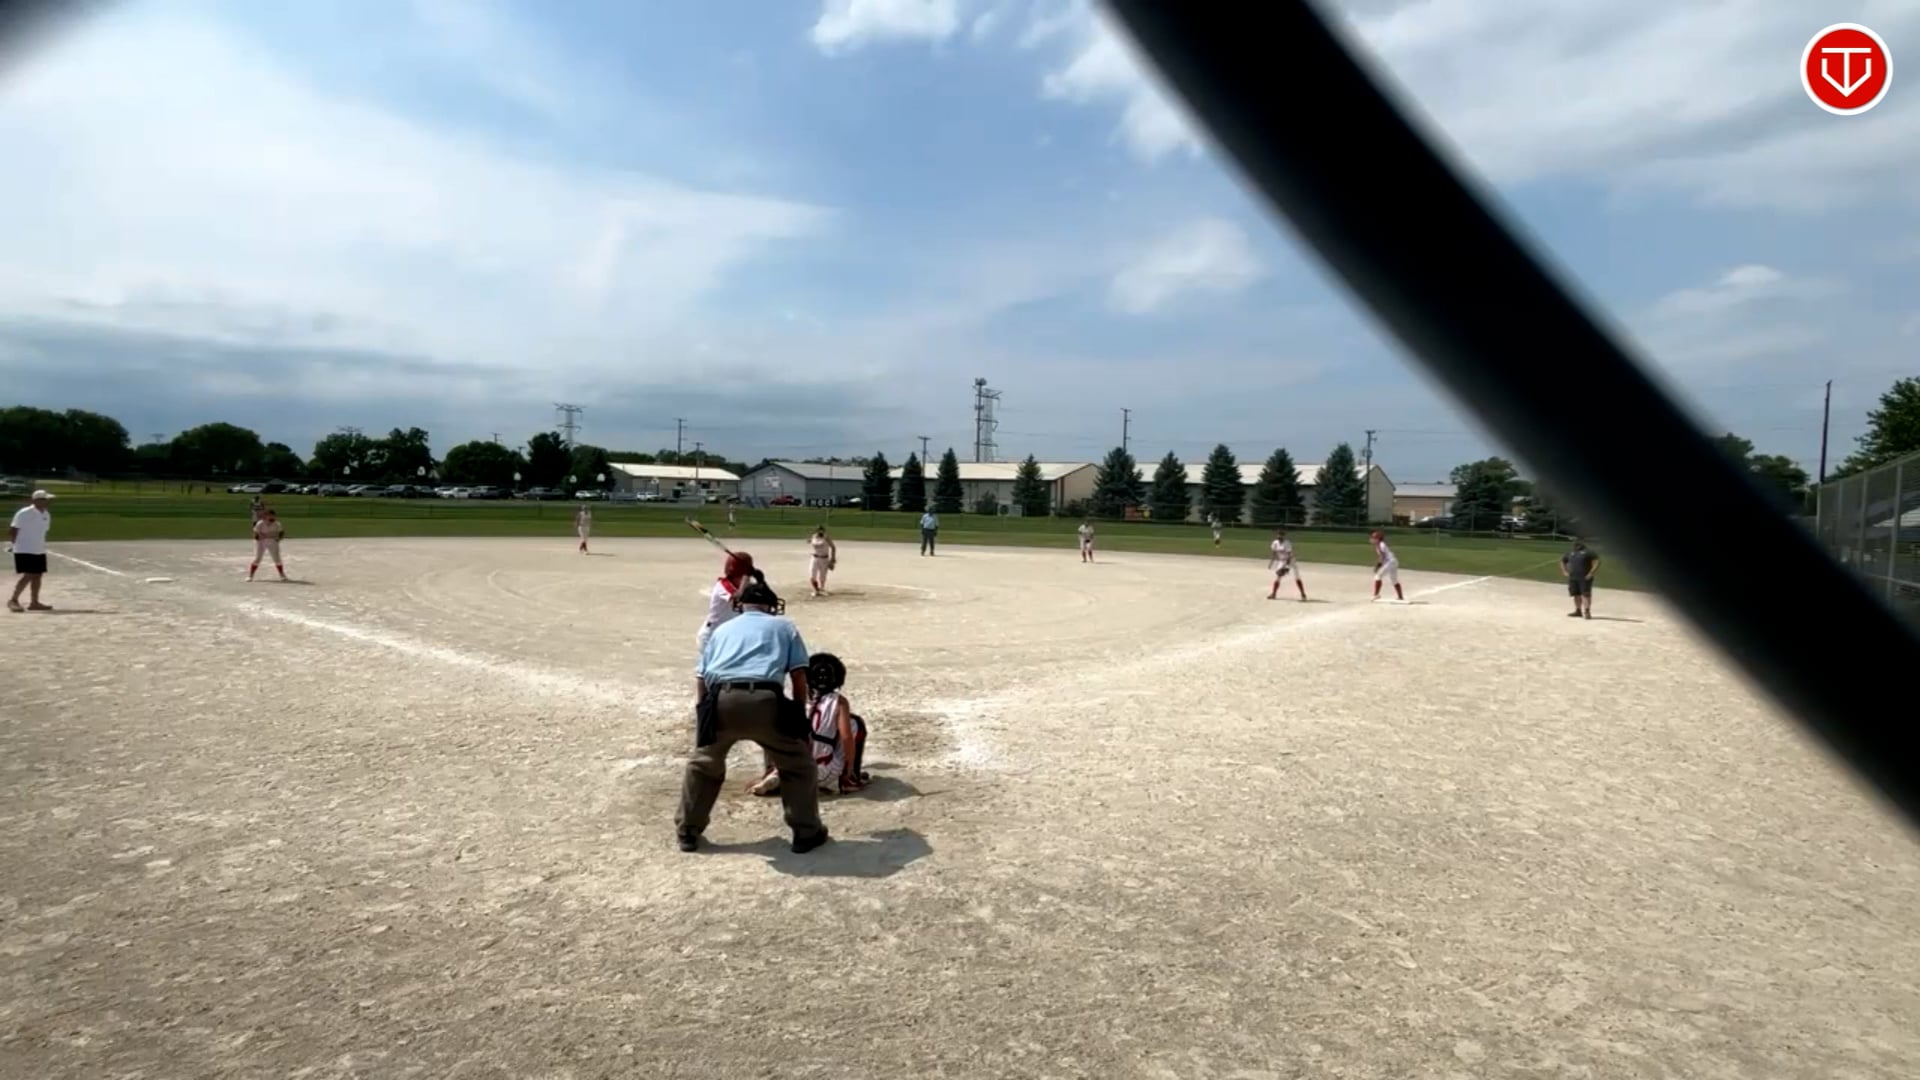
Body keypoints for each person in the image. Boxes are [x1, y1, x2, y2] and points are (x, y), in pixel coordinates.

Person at [677, 579, 830, 854]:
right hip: (765, 701)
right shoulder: (785, 626)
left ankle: (688, 831)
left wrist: (704, 714)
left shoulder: (722, 629)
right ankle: (806, 832)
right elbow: (798, 675)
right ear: (771, 606)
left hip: (721, 699)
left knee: (703, 765)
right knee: (797, 765)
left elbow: (701, 677)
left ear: (741, 605)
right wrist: (798, 715)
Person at [747, 651, 868, 797]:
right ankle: (849, 780)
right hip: (822, 767)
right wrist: (848, 768)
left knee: (787, 755)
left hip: (794, 761)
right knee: (856, 724)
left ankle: (775, 774)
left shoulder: (798, 698)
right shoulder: (839, 702)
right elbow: (846, 737)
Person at [694, 552, 760, 692]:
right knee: (708, 670)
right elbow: (737, 597)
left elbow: (762, 600)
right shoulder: (723, 585)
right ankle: (703, 701)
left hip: (728, 637)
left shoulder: (746, 586)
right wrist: (747, 577)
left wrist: (761, 581)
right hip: (711, 636)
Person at [7, 489, 55, 613]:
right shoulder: (24, 513)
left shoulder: (46, 514)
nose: (49, 501)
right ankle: (13, 600)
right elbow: (13, 529)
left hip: (38, 549)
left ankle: (34, 602)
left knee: (38, 575)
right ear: (37, 500)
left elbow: (42, 532)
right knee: (29, 574)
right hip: (24, 549)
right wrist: (14, 545)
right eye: (46, 499)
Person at [1561, 540, 1600, 619]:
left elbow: (1597, 561)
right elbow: (1562, 561)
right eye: (1576, 544)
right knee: (1576, 594)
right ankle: (1578, 610)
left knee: (1585, 594)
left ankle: (1587, 611)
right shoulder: (1570, 553)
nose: (1577, 545)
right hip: (1573, 577)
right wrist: (1564, 571)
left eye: (1579, 544)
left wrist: (1591, 572)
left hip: (1584, 577)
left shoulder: (1588, 552)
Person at [249, 507, 289, 582]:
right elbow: (256, 533)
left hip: (273, 542)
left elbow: (281, 532)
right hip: (261, 542)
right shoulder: (260, 523)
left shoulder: (277, 524)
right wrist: (258, 537)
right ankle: (250, 576)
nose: (272, 517)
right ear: (266, 516)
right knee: (257, 558)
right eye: (270, 515)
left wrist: (279, 538)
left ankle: (282, 575)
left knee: (277, 559)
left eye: (273, 515)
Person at [1268, 528, 1307, 600]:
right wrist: (1271, 562)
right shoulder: (1275, 543)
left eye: (1281, 535)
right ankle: (1273, 594)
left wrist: (1287, 566)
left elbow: (1289, 555)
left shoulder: (1287, 543)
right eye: (1278, 535)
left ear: (1284, 536)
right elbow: (1274, 553)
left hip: (1291, 561)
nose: (1279, 536)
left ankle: (1303, 594)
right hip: (1282, 561)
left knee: (1297, 577)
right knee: (1278, 577)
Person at [1370, 529, 1404, 601]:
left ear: (1378, 539)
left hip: (1390, 562)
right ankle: (1400, 597)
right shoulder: (1379, 545)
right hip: (1394, 561)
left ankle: (1376, 595)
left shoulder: (1381, 545)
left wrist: (1377, 566)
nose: (1372, 539)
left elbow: (1382, 556)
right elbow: (1383, 557)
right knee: (1394, 580)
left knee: (1378, 576)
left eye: (1374, 537)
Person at [807, 526, 837, 598]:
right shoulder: (814, 536)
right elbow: (812, 541)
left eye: (821, 530)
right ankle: (816, 590)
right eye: (818, 530)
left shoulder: (826, 538)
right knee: (812, 575)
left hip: (824, 559)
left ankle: (822, 589)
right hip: (814, 558)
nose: (820, 532)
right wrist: (809, 540)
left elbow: (833, 547)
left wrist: (832, 559)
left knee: (822, 576)